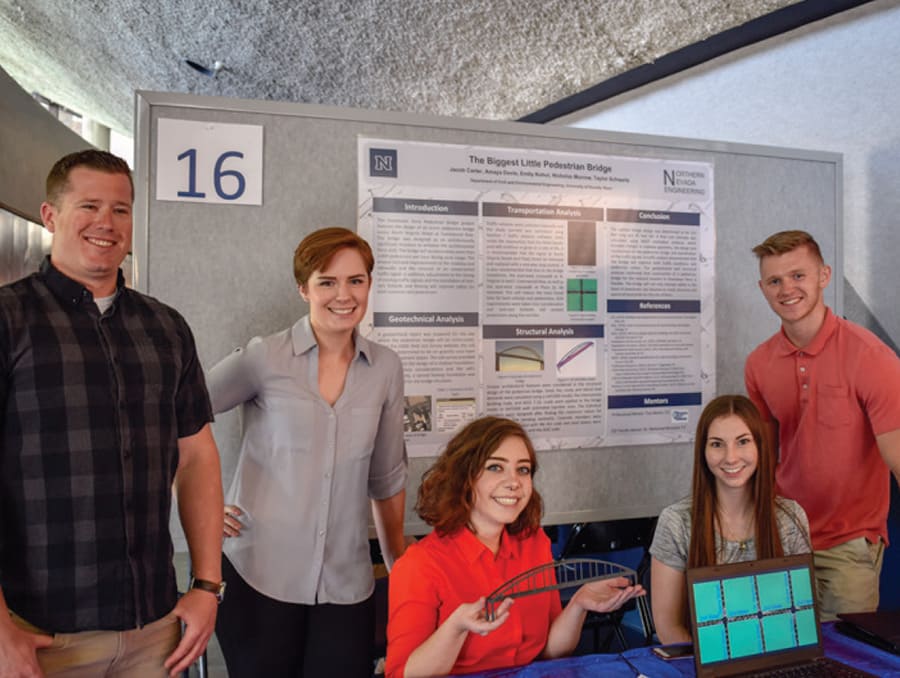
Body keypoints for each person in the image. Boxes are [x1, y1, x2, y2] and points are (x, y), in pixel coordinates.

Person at [0, 150, 225, 677]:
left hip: (153, 628)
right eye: (89, 206)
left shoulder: (166, 328)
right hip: (39, 634)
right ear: (50, 216)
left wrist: (207, 586)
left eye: (121, 209)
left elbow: (195, 460)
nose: (107, 222)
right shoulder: (9, 320)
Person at [207, 226, 408, 677]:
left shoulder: (386, 369)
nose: (344, 294)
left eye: (356, 280)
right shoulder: (264, 358)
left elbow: (386, 475)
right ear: (303, 288)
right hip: (259, 575)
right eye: (327, 281)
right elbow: (177, 418)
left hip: (346, 582)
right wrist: (202, 507)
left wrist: (400, 567)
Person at [386, 416, 644, 677]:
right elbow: (401, 673)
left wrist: (579, 604)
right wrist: (455, 629)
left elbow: (552, 653)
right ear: (464, 477)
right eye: (495, 467)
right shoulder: (420, 564)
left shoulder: (534, 543)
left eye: (523, 469)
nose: (514, 482)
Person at [745, 230, 900, 619]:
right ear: (762, 288)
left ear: (824, 276)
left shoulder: (871, 357)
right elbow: (761, 459)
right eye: (775, 280)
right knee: (783, 659)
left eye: (799, 276)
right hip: (782, 541)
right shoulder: (759, 364)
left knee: (851, 660)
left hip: (849, 544)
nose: (787, 289)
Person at [650, 395, 810, 643]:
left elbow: (800, 619)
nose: (731, 457)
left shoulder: (791, 517)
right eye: (717, 444)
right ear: (703, 451)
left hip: (776, 658)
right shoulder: (676, 522)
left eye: (743, 441)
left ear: (760, 446)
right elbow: (669, 629)